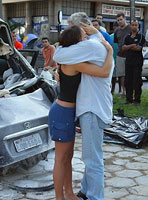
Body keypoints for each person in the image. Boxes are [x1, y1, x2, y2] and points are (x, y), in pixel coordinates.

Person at [53, 12, 114, 200]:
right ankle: (85, 191)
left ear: (83, 27)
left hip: (92, 109)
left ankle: (95, 196)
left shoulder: (91, 46)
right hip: (86, 108)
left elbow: (59, 53)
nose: (83, 38)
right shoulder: (96, 44)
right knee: (77, 156)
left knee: (92, 159)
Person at [122, 20, 145, 105]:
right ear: (130, 26)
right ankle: (129, 99)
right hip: (128, 62)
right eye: (133, 25)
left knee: (137, 81)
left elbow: (138, 48)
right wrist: (132, 45)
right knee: (128, 81)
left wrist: (128, 47)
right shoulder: (127, 37)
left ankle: (137, 100)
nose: (134, 26)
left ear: (138, 26)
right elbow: (123, 48)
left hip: (137, 62)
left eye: (136, 25)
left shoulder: (141, 36)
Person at [114, 13, 131, 97]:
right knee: (120, 74)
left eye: (121, 19)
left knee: (130, 74)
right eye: (118, 20)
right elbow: (116, 41)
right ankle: (122, 92)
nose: (119, 21)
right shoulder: (117, 30)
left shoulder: (130, 28)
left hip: (130, 55)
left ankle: (130, 92)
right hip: (120, 54)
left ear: (125, 19)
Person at [110, 22, 119, 94]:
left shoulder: (123, 36)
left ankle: (120, 90)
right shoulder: (110, 37)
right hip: (112, 58)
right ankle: (112, 89)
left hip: (120, 57)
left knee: (121, 75)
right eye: (116, 27)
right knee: (113, 76)